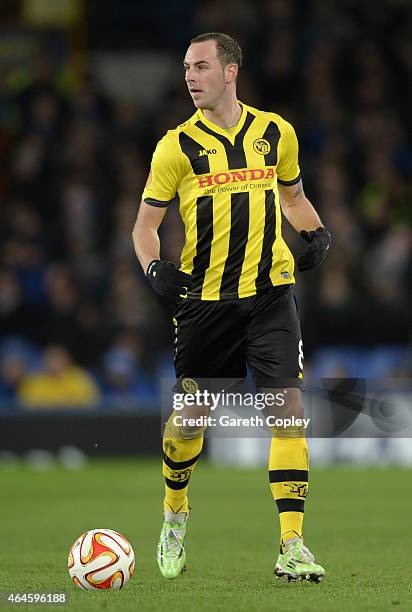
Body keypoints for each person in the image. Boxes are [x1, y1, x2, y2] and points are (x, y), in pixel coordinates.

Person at [132, 32, 330, 582]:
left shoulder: (274, 132)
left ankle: (291, 545)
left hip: (270, 294)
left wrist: (316, 233)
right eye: (186, 68)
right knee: (190, 420)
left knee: (287, 411)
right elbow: (145, 227)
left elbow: (292, 196)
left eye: (200, 66)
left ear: (231, 71)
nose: (190, 77)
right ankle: (175, 511)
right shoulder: (176, 146)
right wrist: (154, 268)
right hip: (206, 301)